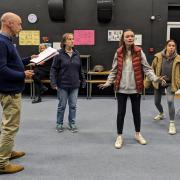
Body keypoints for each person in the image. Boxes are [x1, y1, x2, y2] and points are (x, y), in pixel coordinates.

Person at [99, 29, 165, 149]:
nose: (130, 38)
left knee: (136, 113)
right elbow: (114, 70)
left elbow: (147, 68)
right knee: (121, 113)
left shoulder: (139, 52)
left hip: (136, 88)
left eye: (132, 36)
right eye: (127, 36)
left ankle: (137, 134)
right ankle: (119, 136)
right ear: (123, 39)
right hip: (121, 89)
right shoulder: (118, 52)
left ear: (134, 38)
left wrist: (155, 78)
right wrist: (108, 82)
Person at [0, 12, 35, 174]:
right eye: (19, 24)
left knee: (6, 124)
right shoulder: (2, 42)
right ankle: (2, 163)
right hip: (9, 91)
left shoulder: (7, 41)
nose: (21, 27)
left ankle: (6, 151)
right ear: (8, 23)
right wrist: (23, 75)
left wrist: (29, 59)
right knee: (10, 126)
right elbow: (2, 69)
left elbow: (13, 64)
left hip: (10, 89)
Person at [50, 33, 86, 133]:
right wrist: (53, 83)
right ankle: (59, 123)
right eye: (69, 39)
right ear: (64, 42)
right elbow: (53, 69)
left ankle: (72, 123)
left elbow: (80, 69)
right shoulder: (58, 54)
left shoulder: (76, 53)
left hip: (74, 85)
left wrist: (83, 80)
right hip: (62, 85)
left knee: (73, 106)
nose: (72, 41)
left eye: (73, 39)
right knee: (62, 106)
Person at [147, 40, 180, 135]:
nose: (171, 47)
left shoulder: (178, 58)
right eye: (169, 45)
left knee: (170, 101)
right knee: (156, 102)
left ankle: (172, 123)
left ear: (175, 47)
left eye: (173, 46)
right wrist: (152, 80)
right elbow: (151, 69)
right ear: (166, 46)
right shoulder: (158, 56)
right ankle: (161, 113)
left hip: (171, 83)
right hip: (159, 82)